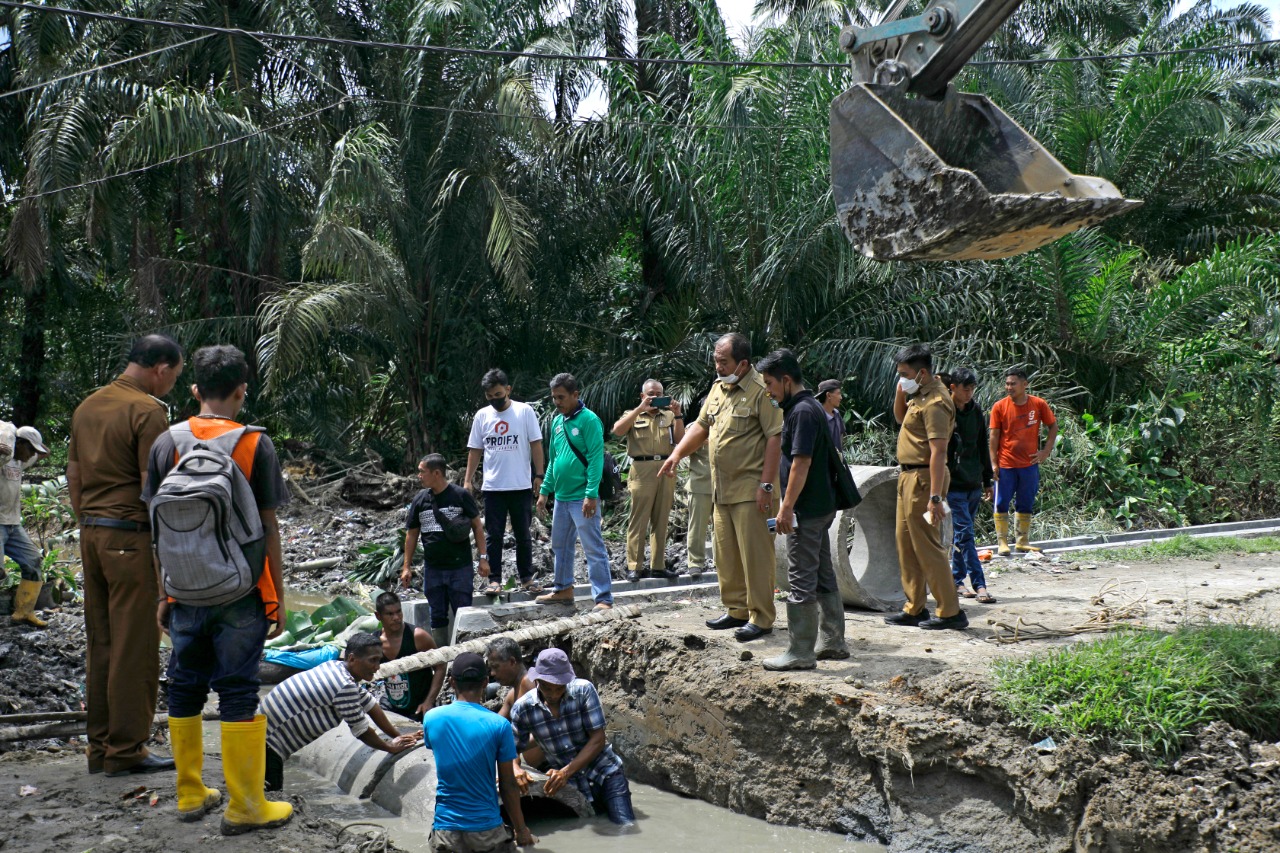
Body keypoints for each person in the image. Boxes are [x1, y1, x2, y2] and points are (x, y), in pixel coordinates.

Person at [143, 344, 291, 832]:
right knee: (238, 690)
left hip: (183, 590)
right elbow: (268, 528)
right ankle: (245, 804)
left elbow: (156, 527)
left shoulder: (167, 442)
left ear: (194, 390)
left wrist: (163, 593)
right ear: (241, 391)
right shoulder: (255, 444)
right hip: (239, 591)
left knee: (185, 686)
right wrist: (278, 597)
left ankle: (189, 793)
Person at [68, 334, 183, 777]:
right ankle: (127, 749)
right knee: (135, 648)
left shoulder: (88, 406)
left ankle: (99, 748)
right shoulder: (147, 410)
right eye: (174, 374)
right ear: (161, 368)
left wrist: (90, 526)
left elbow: (74, 475)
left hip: (93, 535)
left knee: (102, 643)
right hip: (129, 537)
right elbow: (154, 490)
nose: (172, 383)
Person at [659, 333, 782, 641]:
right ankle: (736, 609)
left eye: (723, 361)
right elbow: (701, 427)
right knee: (726, 555)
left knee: (755, 556)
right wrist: (676, 454)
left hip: (752, 490)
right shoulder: (718, 389)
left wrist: (766, 485)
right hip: (721, 490)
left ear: (742, 363)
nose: (717, 366)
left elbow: (775, 438)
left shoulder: (761, 391)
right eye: (715, 360)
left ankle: (762, 617)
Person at [755, 350, 849, 670]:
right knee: (822, 570)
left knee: (800, 577)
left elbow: (801, 463)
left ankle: (800, 651)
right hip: (819, 507)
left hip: (807, 511)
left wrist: (786, 508)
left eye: (769, 383)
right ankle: (833, 640)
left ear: (785, 380)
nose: (767, 390)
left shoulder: (802, 412)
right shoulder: (806, 408)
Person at [261, 632, 417, 792]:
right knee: (271, 800)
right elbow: (362, 731)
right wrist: (390, 747)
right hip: (268, 746)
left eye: (379, 660)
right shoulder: (344, 686)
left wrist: (397, 736)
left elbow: (370, 704)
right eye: (372, 660)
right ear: (351, 659)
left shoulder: (335, 666)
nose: (377, 667)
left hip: (260, 737)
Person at [888, 344, 968, 631]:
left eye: (905, 375)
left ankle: (950, 611)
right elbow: (900, 419)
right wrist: (901, 390)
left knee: (928, 547)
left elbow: (938, 452)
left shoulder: (935, 402)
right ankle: (914, 607)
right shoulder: (918, 395)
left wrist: (935, 497)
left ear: (922, 373)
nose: (901, 379)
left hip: (925, 481)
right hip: (908, 477)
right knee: (906, 543)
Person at [423, 652, 537, 852]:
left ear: (451, 682)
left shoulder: (431, 718)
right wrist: (521, 830)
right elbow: (508, 784)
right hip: (487, 832)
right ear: (485, 682)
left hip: (446, 832)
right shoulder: (499, 725)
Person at [510, 648, 635, 826]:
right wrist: (515, 768)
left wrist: (565, 772)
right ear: (536, 680)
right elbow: (511, 748)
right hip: (571, 785)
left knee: (625, 828)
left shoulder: (583, 691)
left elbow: (598, 739)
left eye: (559, 688)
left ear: (567, 681)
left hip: (604, 772)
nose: (553, 694)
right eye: (546, 687)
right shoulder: (523, 708)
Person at [534, 374, 613, 610]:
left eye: (561, 397)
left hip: (583, 497)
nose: (557, 402)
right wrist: (545, 491)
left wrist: (591, 494)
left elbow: (595, 458)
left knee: (592, 547)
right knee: (560, 546)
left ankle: (603, 598)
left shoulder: (589, 420)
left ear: (575, 395)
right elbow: (554, 460)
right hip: (561, 498)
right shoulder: (558, 422)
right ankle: (563, 589)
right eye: (554, 398)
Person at [465, 369, 545, 594]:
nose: (495, 400)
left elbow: (536, 444)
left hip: (520, 485)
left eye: (498, 394)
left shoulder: (524, 412)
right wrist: (468, 481)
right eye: (490, 397)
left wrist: (539, 475)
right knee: (493, 536)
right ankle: (494, 580)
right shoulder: (482, 416)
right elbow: (475, 450)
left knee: (523, 535)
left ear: (508, 390)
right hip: (493, 487)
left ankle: (527, 578)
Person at [400, 454, 488, 649]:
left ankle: (465, 655)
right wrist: (407, 566)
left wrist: (483, 558)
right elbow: (412, 534)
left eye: (422, 471)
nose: (419, 475)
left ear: (437, 473)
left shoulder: (460, 496)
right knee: (437, 615)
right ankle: (441, 658)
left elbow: (477, 527)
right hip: (433, 570)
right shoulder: (420, 500)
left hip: (460, 568)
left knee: (464, 613)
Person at [611, 379, 684, 582]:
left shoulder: (669, 415)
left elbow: (680, 440)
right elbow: (617, 431)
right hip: (641, 469)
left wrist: (678, 415)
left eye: (660, 394)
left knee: (661, 519)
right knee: (639, 519)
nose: (656, 398)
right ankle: (634, 566)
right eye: (652, 394)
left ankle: (658, 566)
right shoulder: (633, 415)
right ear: (643, 396)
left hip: (665, 468)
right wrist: (639, 409)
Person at [989, 368, 1058, 556]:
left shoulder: (1038, 404)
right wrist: (993, 464)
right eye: (1007, 384)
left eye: (1013, 383)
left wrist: (1046, 451)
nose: (1009, 387)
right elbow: (993, 437)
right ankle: (1002, 542)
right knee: (1001, 502)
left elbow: (1053, 426)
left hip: (1029, 465)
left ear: (1025, 384)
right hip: (1006, 464)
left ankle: (1022, 541)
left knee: (1026, 502)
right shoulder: (999, 406)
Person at [945, 368, 996, 602]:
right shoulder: (944, 410)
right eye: (966, 389)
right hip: (952, 484)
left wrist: (987, 479)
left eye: (972, 389)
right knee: (965, 534)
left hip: (973, 482)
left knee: (962, 537)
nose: (969, 393)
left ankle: (956, 582)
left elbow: (981, 445)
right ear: (952, 387)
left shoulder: (975, 410)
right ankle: (979, 584)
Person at [1, 424, 52, 627]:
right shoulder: (2, 459)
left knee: (33, 562)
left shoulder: (19, 461)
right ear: (19, 444)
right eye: (30, 449)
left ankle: (23, 612)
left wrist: (15, 435)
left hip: (12, 524)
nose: (31, 454)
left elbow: (45, 453)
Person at [376, 591, 445, 721]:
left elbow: (440, 666)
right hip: (393, 705)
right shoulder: (375, 642)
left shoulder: (418, 637)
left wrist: (429, 701)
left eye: (398, 612)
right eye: (390, 614)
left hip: (420, 707)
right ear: (378, 616)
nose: (396, 617)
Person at [684, 445, 713, 578]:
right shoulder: (694, 429)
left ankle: (722, 562)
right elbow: (684, 449)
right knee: (697, 526)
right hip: (700, 484)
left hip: (725, 485)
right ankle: (695, 563)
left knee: (721, 527)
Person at [816, 379, 845, 450]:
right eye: (838, 393)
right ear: (828, 395)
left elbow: (841, 434)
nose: (841, 397)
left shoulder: (837, 414)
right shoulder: (817, 416)